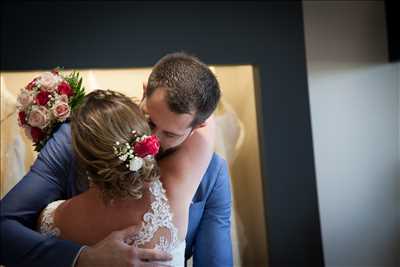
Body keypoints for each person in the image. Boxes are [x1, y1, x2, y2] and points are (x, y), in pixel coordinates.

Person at [0, 52, 233, 267]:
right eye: (149, 121)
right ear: (144, 91)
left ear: (199, 126)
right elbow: (4, 226)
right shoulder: (74, 138)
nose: (152, 141)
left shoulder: (213, 173)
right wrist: (83, 258)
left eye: (170, 134)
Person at [38, 89, 214, 267]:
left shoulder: (54, 218)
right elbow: (206, 120)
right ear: (141, 134)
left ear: (82, 158)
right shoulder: (173, 192)